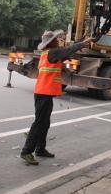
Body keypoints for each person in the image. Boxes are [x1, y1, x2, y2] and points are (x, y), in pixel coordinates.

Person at [21, 30, 93, 165]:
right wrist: (84, 43)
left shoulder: (49, 54)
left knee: (45, 122)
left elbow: (62, 59)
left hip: (45, 92)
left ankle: (40, 149)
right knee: (39, 123)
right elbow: (68, 51)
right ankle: (26, 151)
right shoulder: (53, 52)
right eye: (56, 39)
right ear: (51, 42)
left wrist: (67, 69)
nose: (58, 40)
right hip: (43, 92)